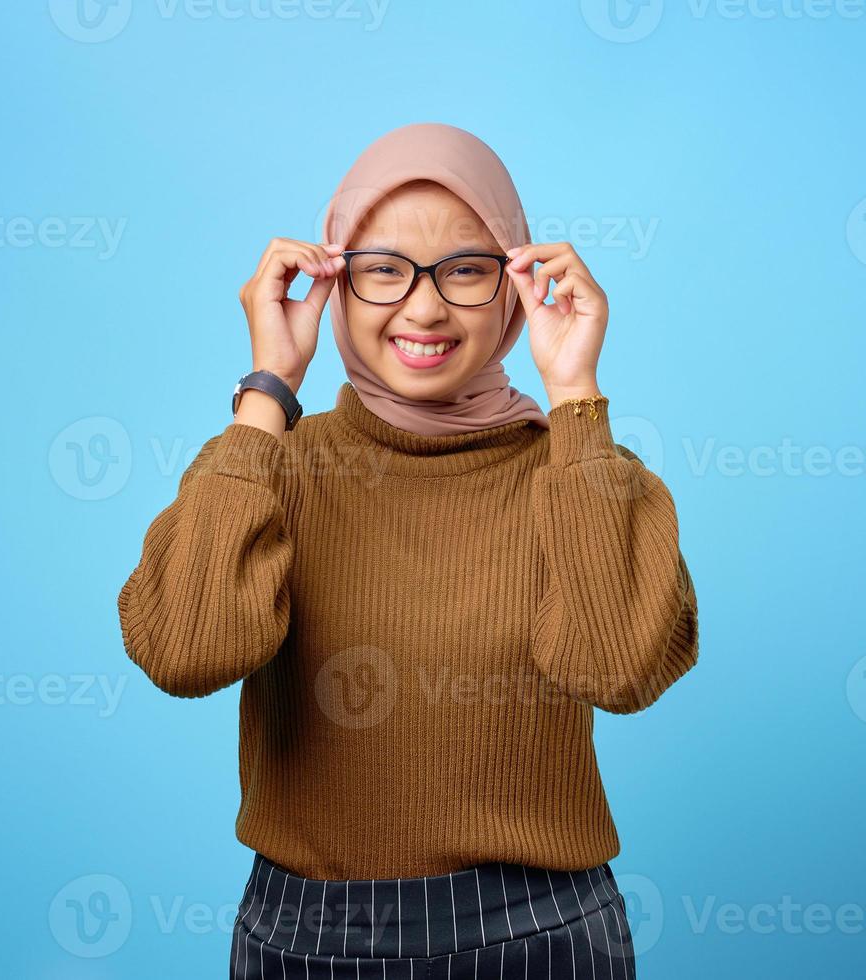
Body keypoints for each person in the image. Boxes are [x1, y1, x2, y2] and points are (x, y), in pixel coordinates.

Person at [117, 122, 699, 978]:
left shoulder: (579, 471)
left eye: (465, 270)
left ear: (515, 283)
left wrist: (575, 395)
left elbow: (620, 667)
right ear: (332, 281)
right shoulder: (270, 465)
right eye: (382, 270)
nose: (423, 308)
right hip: (307, 936)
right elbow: (184, 651)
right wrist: (267, 390)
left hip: (538, 934)